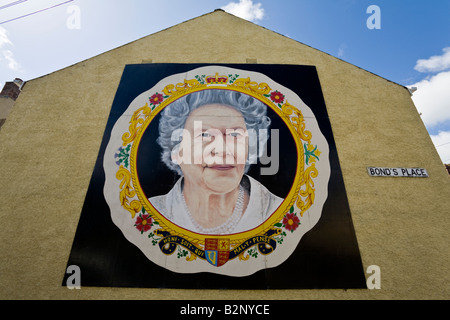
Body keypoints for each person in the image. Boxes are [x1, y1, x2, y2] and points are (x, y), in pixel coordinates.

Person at [149, 89, 283, 234]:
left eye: (234, 134)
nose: (223, 149)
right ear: (176, 151)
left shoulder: (279, 213)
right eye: (204, 134)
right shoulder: (150, 214)